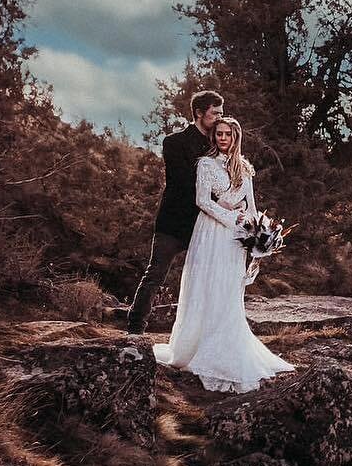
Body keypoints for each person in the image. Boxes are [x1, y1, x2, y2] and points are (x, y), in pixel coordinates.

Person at [152, 116, 293, 392]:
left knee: (229, 288)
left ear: (236, 137)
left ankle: (228, 343)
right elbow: (202, 201)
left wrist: (257, 239)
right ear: (213, 137)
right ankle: (200, 346)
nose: (223, 138)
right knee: (208, 285)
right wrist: (231, 217)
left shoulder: (245, 169)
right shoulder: (205, 164)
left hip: (235, 238)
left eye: (228, 134)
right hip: (211, 233)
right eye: (218, 134)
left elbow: (251, 206)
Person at [126, 90, 225, 334]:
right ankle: (135, 328)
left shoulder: (219, 145)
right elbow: (181, 181)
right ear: (199, 113)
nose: (219, 118)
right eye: (215, 113)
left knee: (207, 278)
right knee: (155, 274)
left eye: (221, 113)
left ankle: (203, 333)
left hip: (204, 222)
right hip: (173, 221)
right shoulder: (174, 142)